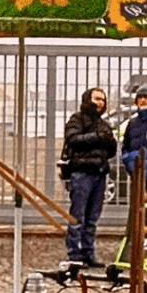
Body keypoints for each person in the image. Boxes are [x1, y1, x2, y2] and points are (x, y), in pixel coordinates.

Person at [61, 86, 116, 266]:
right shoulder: (76, 119)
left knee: (92, 218)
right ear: (87, 100)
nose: (100, 102)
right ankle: (74, 254)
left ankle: (88, 253)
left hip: (99, 174)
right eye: (97, 98)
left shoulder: (104, 124)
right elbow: (73, 140)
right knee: (77, 216)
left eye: (103, 99)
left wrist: (109, 141)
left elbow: (111, 151)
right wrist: (98, 138)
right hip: (81, 173)